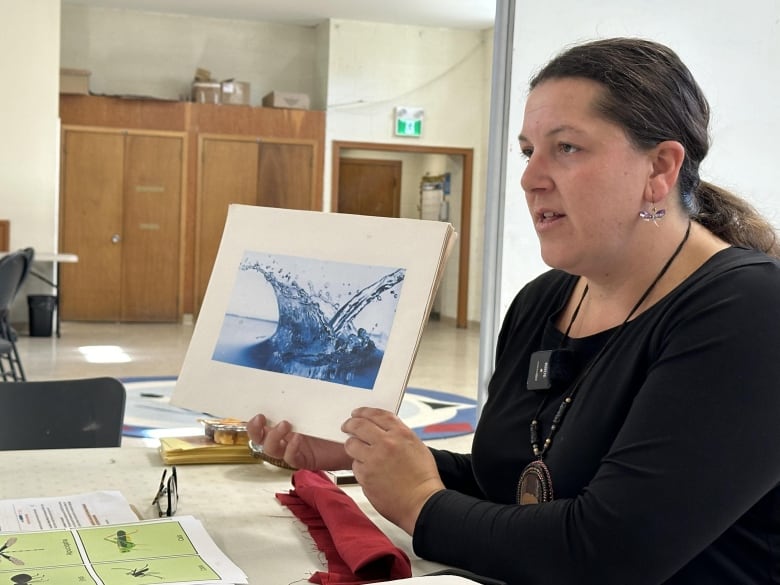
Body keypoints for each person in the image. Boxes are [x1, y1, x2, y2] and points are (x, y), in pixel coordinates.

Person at [247, 37, 780, 584]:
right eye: (528, 152)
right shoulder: (543, 301)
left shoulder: (749, 311)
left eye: (566, 148)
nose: (530, 178)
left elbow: (609, 554)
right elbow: (517, 486)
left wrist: (419, 505)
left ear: (660, 169)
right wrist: (369, 454)